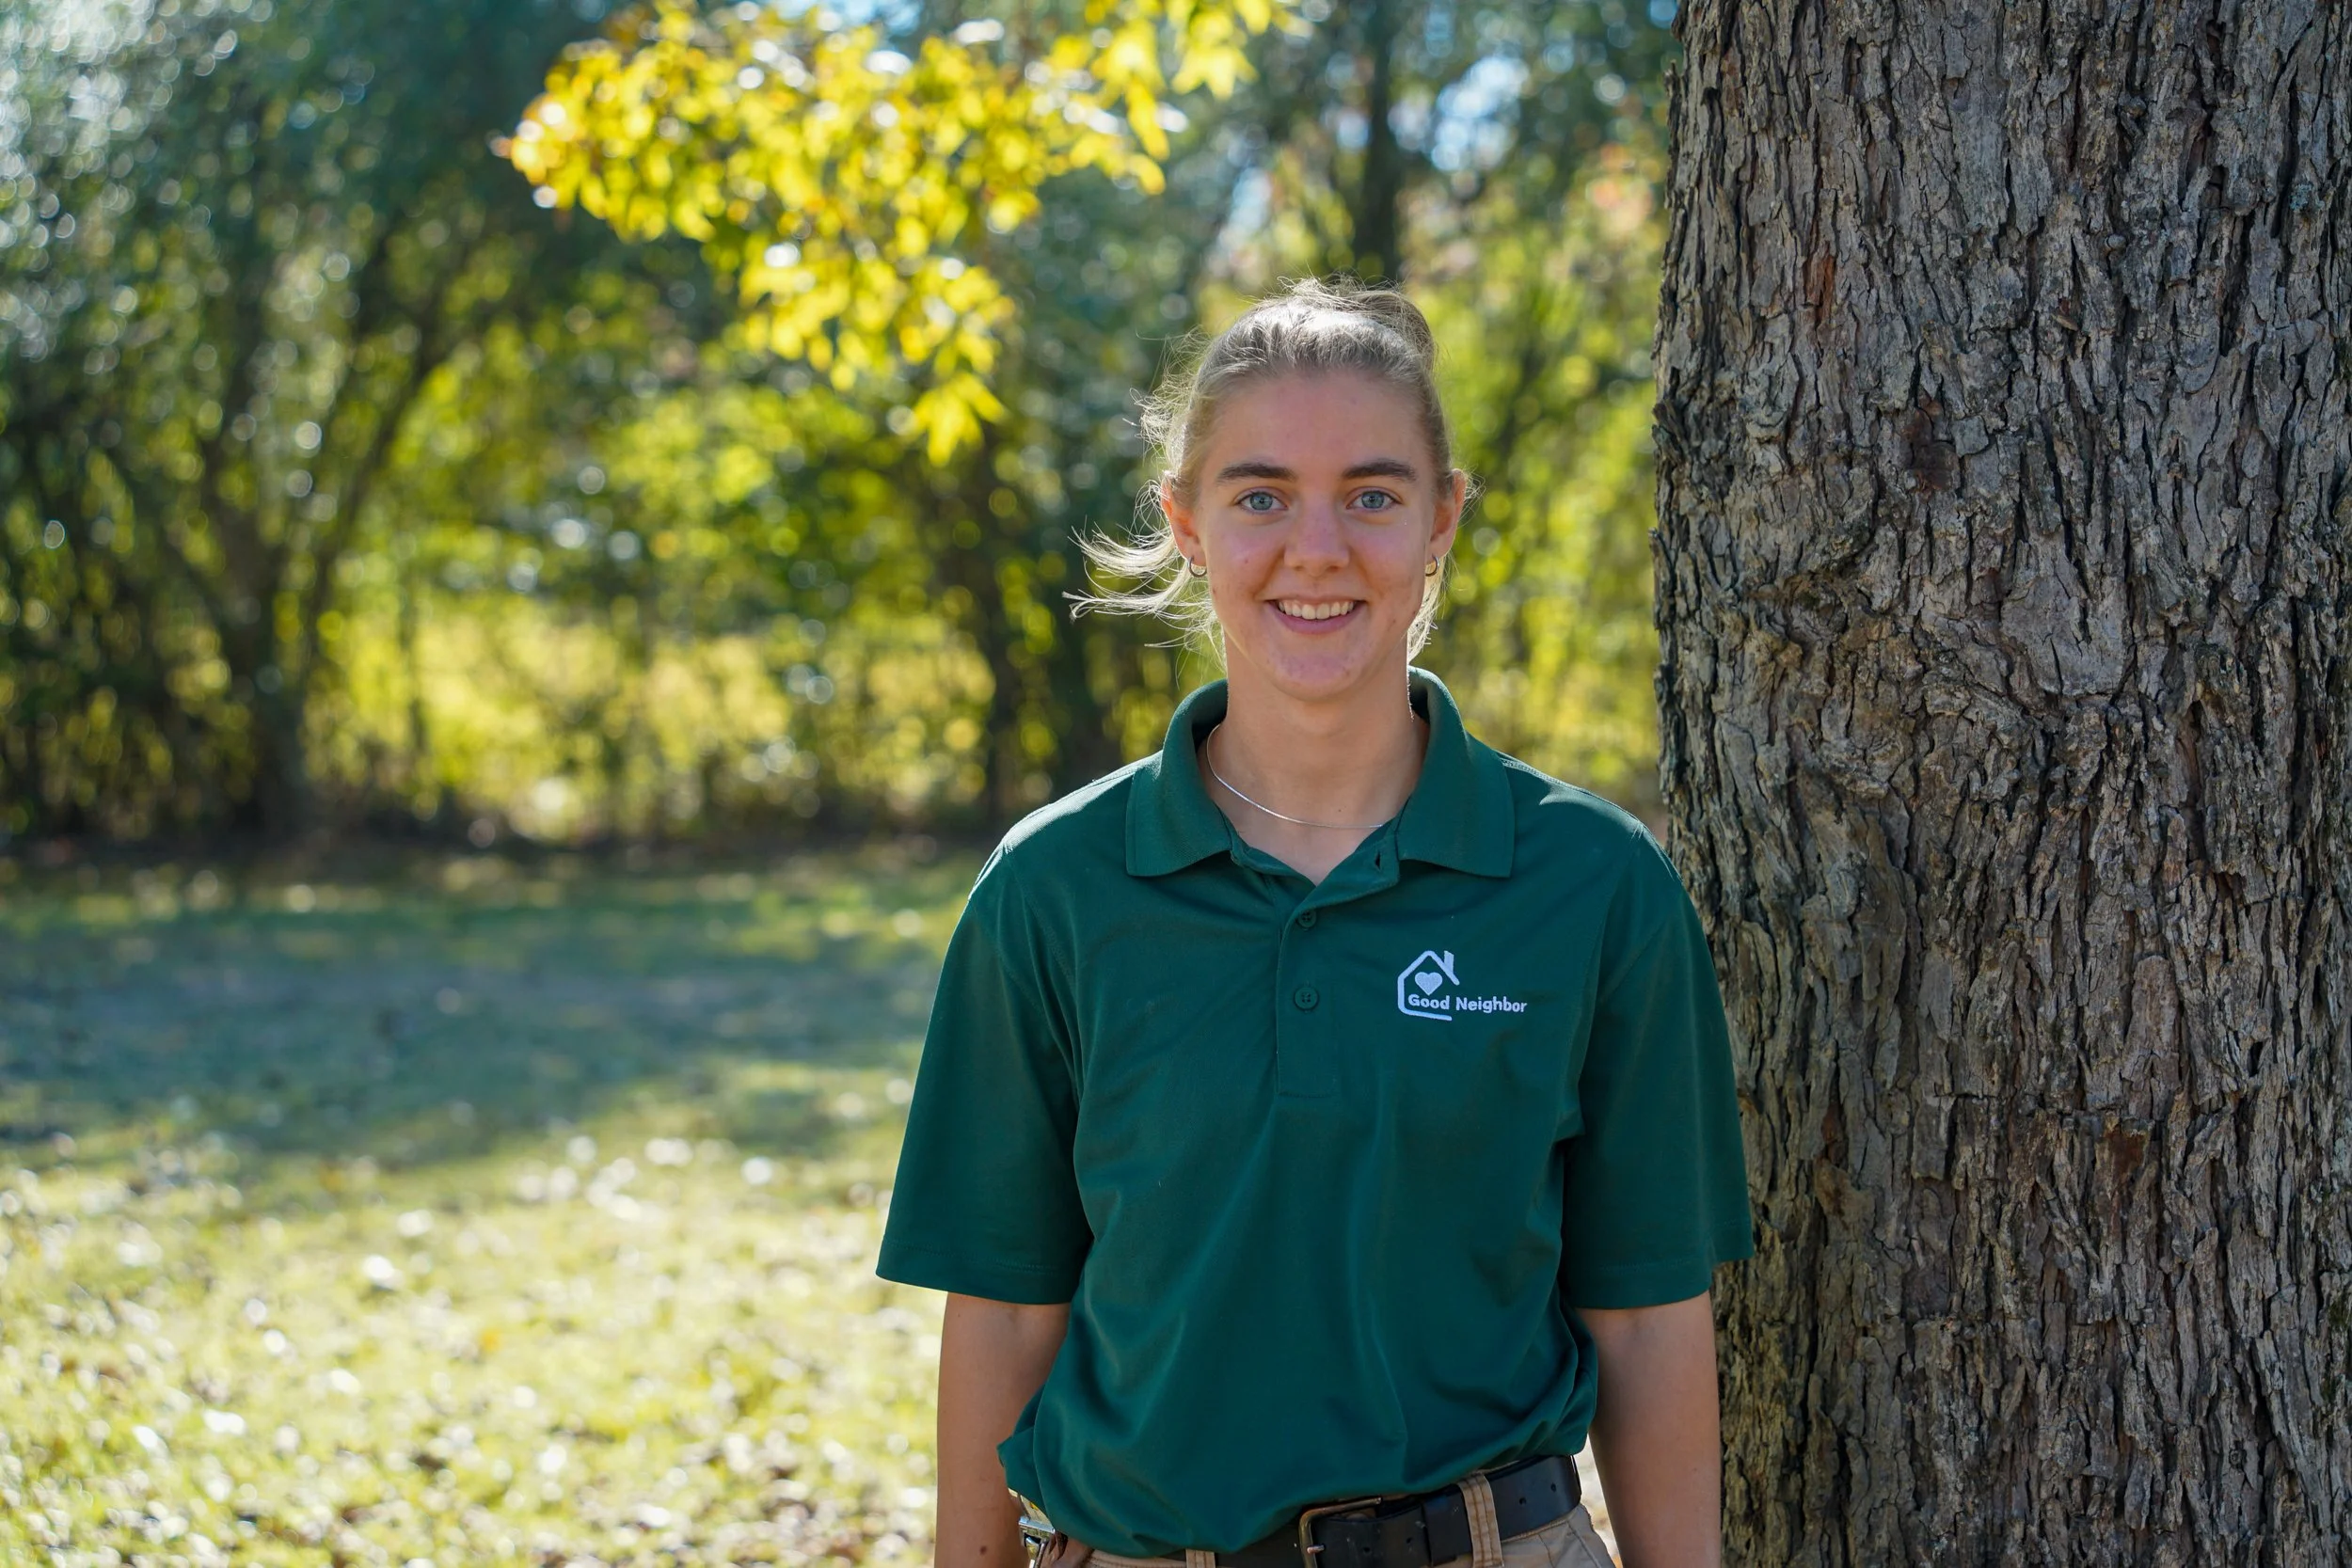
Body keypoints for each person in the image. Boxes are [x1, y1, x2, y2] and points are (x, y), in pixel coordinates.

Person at [876, 278, 1752, 1568]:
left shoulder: (1593, 882)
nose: (1318, 548)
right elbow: (1005, 1311)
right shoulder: (1054, 887)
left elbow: (1648, 1318)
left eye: (1374, 495)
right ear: (1185, 523)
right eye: (1261, 496)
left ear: (1442, 518)